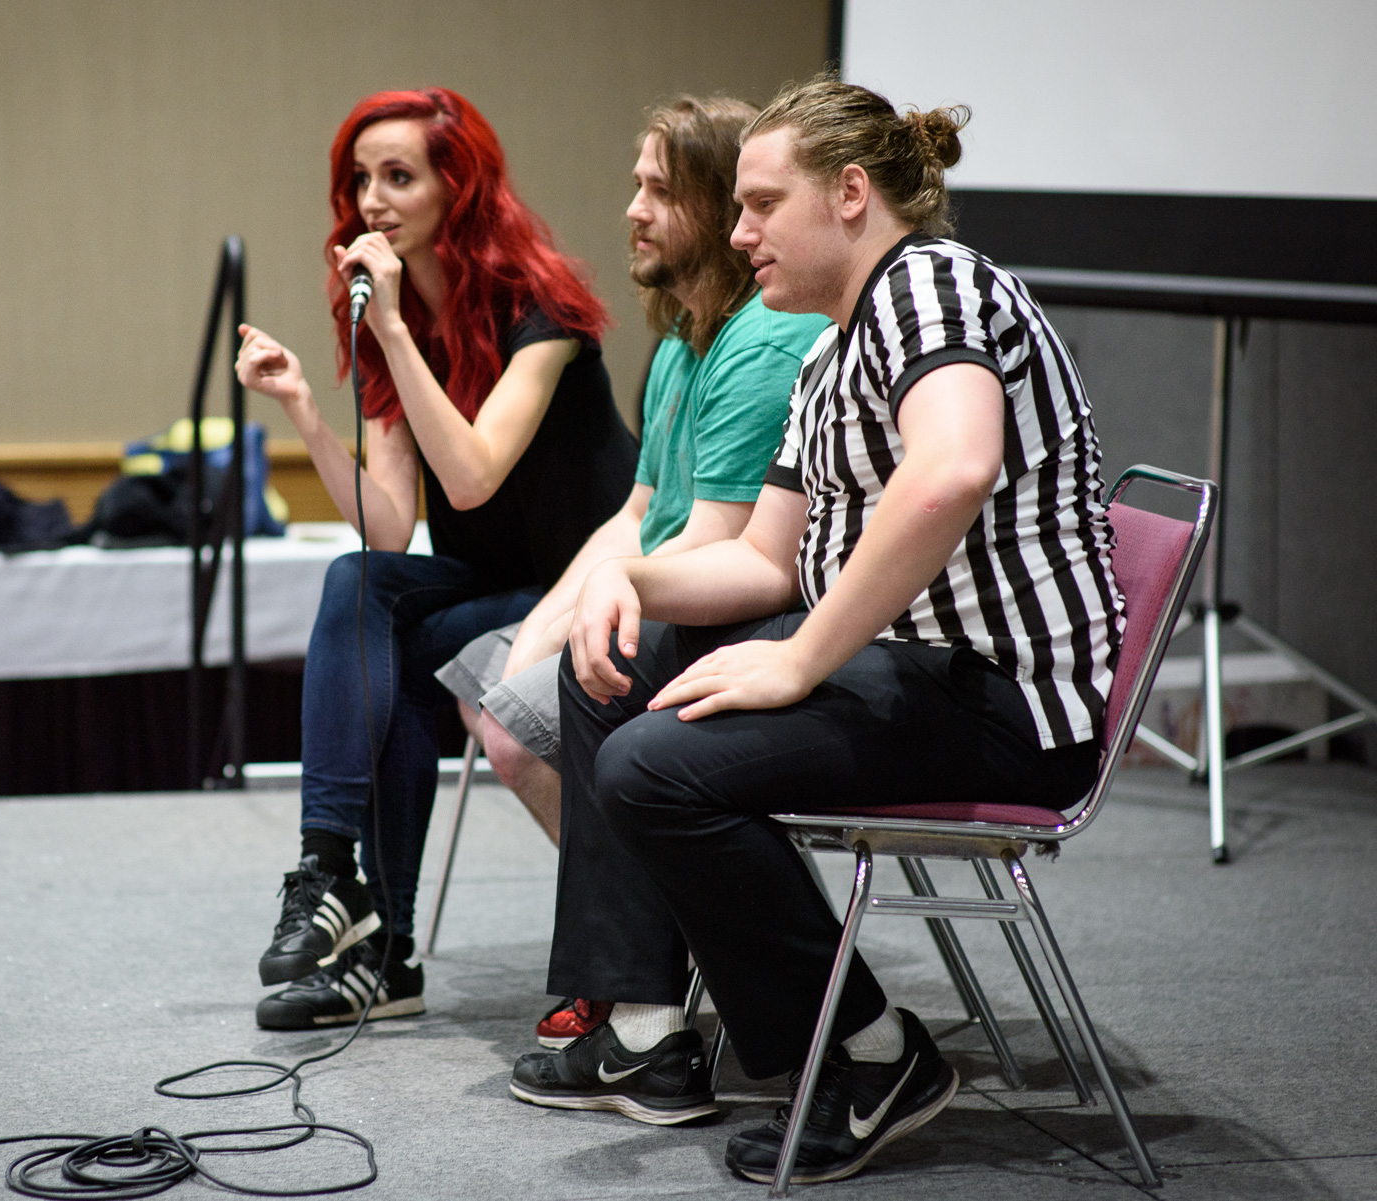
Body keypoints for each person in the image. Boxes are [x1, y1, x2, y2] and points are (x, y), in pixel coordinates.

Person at [509, 76, 1124, 1187]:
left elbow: (954, 468)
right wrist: (627, 582)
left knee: (654, 769)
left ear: (850, 194)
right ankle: (661, 1028)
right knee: (615, 675)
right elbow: (763, 560)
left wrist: (800, 658)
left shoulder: (928, 285)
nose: (739, 233)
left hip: (1002, 700)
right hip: (916, 670)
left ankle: (871, 1052)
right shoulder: (833, 344)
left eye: (761, 205)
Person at [233, 87, 637, 1030]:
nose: (372, 201)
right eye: (360, 181)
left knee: (402, 651)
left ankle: (380, 942)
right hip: (493, 583)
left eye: (398, 177)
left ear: (460, 186)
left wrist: (390, 330)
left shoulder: (540, 307)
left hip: (589, 581)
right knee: (358, 584)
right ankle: (333, 873)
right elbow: (386, 528)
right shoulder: (390, 317)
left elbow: (473, 477)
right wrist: (304, 409)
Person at [433, 95, 831, 1050]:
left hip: (739, 612)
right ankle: (652, 946)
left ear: (721, 210)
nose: (633, 210)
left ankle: (649, 970)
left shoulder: (762, 343)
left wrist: (565, 637)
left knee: (524, 722)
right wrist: (540, 631)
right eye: (636, 185)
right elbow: (637, 515)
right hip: (674, 590)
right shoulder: (681, 340)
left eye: (660, 190)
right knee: (485, 682)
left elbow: (725, 544)